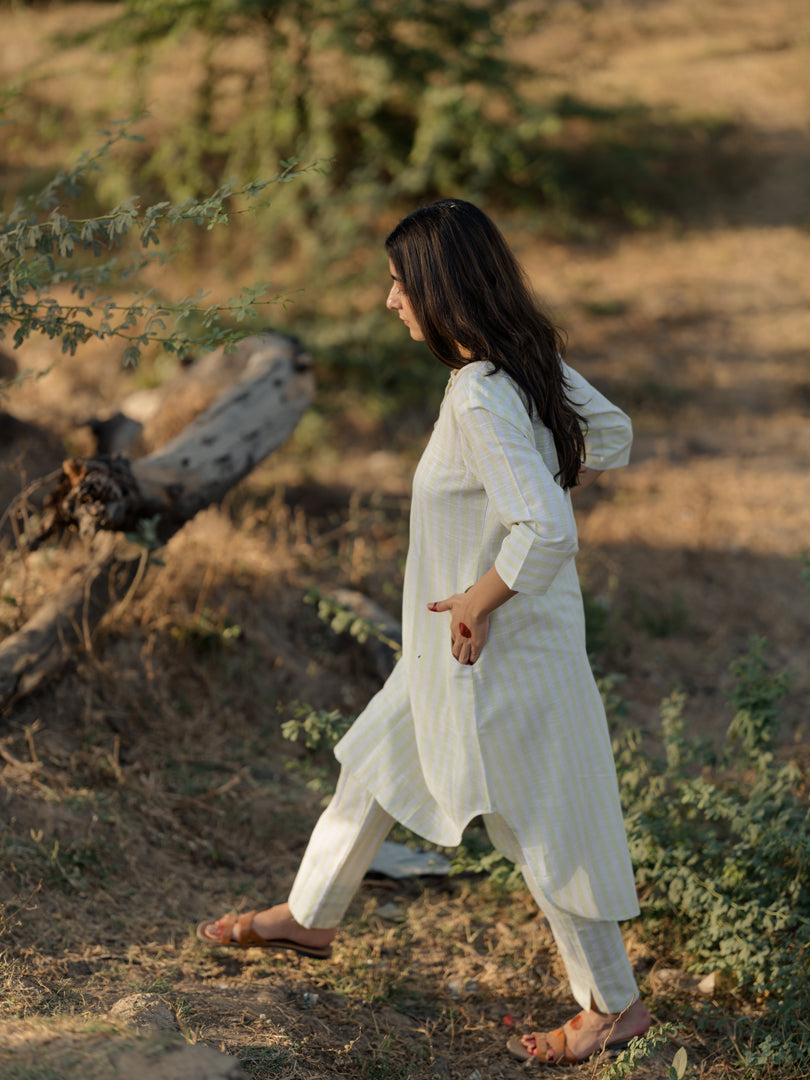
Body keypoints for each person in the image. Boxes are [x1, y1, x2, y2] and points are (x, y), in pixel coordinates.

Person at [198, 199, 652, 1066]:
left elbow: (547, 528)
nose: (390, 301)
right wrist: (534, 482)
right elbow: (606, 435)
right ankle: (311, 915)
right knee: (373, 759)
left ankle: (611, 1006)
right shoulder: (521, 364)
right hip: (456, 649)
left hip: (493, 649)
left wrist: (481, 595)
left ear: (442, 289)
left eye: (400, 285)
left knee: (540, 822)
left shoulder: (481, 395)